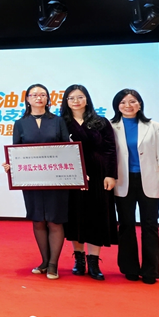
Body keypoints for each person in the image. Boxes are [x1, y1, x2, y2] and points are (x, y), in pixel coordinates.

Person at [3, 83, 71, 279]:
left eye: (42, 94)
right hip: (31, 179)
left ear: (48, 98)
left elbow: (67, 148)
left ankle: (53, 264)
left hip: (56, 179)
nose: (38, 98)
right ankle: (44, 261)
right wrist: (10, 165)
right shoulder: (20, 123)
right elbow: (16, 150)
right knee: (38, 220)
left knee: (55, 221)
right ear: (27, 99)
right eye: (34, 95)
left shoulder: (58, 121)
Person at [110, 89, 159, 284]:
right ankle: (130, 268)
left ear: (140, 104)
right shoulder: (111, 127)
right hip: (123, 182)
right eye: (123, 102)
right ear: (117, 105)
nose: (128, 105)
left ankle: (150, 271)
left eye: (132, 101)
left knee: (150, 225)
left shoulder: (154, 126)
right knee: (126, 225)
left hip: (150, 180)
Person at [61, 85, 117, 281]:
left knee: (97, 216)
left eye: (80, 97)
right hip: (71, 175)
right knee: (75, 216)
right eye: (71, 98)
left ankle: (94, 261)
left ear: (87, 99)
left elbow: (111, 149)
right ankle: (79, 259)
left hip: (98, 174)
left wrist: (110, 175)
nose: (76, 101)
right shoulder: (61, 123)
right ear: (66, 101)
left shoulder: (100, 122)